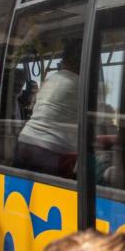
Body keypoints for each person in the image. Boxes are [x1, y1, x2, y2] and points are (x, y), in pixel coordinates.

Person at [14, 40, 80, 177]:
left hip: (25, 141)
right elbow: (99, 120)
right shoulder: (81, 83)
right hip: (50, 150)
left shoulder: (51, 79)